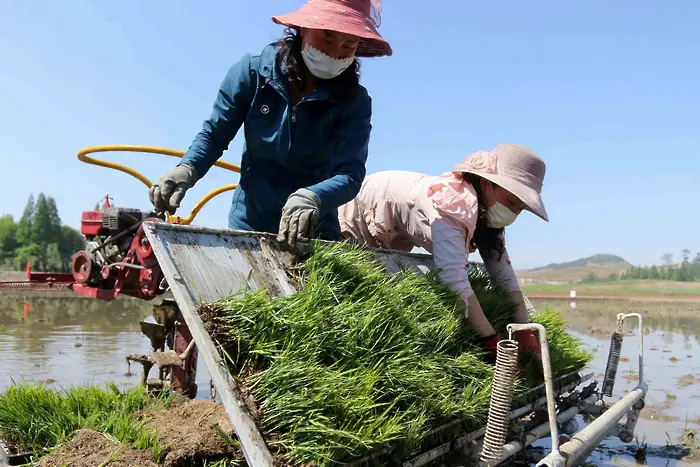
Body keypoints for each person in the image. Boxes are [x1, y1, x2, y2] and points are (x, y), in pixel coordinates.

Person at [149, 0, 392, 247]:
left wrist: (313, 197)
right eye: (327, 37)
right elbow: (214, 136)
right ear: (304, 29)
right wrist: (188, 168)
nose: (335, 52)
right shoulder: (253, 73)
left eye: (348, 44)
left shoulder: (354, 102)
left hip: (313, 229)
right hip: (251, 222)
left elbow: (350, 174)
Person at [338, 144, 548, 364]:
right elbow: (454, 280)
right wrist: (491, 339)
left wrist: (525, 329)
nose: (513, 213)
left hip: (394, 231)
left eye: (520, 208)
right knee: (357, 289)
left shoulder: (488, 210)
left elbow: (502, 270)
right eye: (512, 202)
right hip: (361, 211)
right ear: (487, 184)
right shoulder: (452, 204)